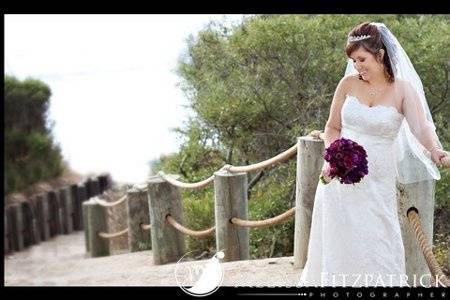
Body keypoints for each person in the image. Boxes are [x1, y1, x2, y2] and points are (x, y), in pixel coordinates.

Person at [297, 22, 448, 287]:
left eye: (362, 59)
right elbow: (332, 128)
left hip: (378, 181)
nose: (358, 66)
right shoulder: (347, 84)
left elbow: (421, 127)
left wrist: (436, 151)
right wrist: (333, 156)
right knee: (338, 241)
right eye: (354, 61)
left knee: (377, 239)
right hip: (339, 180)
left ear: (380, 54)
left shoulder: (402, 90)